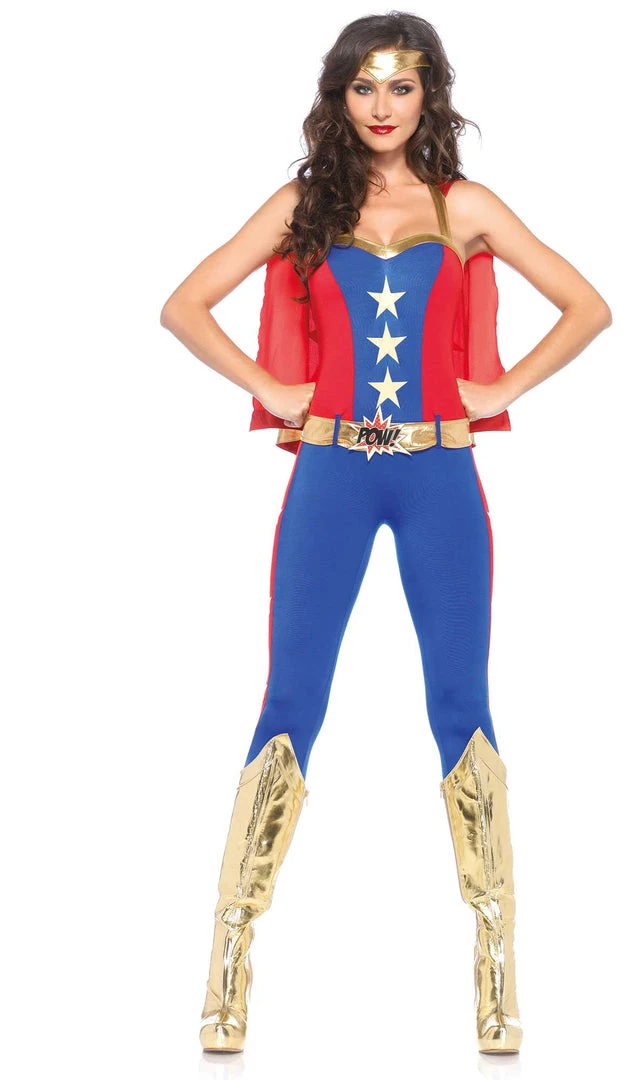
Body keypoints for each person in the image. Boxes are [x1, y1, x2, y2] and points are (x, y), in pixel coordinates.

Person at [160, 12, 612, 1057]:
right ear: (339, 96)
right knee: (290, 699)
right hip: (331, 473)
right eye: (363, 87)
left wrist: (498, 388)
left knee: (461, 703)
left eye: (400, 87)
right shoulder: (304, 205)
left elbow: (587, 307)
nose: (381, 106)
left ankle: (496, 976)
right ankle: (228, 962)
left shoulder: (464, 206)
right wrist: (275, 387)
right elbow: (185, 306)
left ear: (428, 96)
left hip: (438, 473)